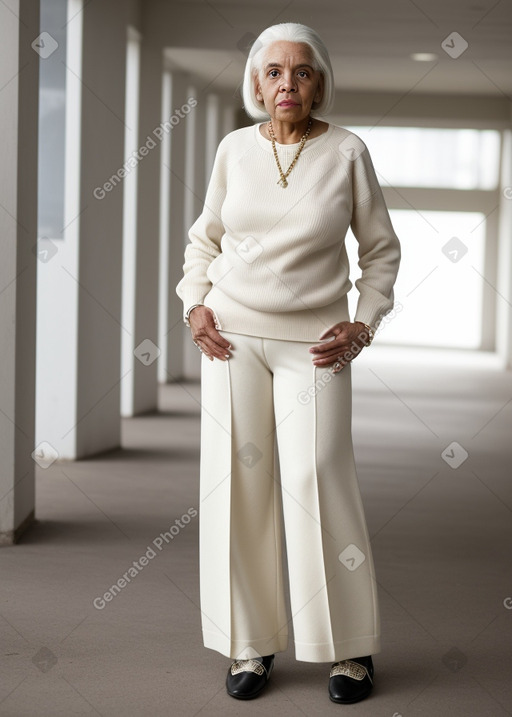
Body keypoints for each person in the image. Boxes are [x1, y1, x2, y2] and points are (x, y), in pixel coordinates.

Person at [176, 21, 400, 704]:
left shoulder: (347, 152)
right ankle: (251, 641)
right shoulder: (234, 151)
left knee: (315, 475)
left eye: (301, 72)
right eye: (273, 71)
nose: (287, 84)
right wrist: (195, 306)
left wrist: (364, 324)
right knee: (237, 486)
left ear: (320, 82)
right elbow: (203, 242)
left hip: (316, 345)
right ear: (255, 82)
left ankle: (348, 647)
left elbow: (381, 251)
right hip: (233, 339)